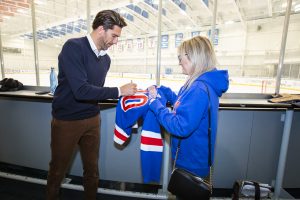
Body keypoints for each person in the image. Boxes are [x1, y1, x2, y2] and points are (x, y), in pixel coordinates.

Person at [46, 10, 137, 200]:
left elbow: (95, 92)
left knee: (92, 171)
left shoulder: (106, 59)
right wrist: (119, 91)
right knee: (57, 172)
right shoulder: (73, 47)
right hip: (67, 121)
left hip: (93, 119)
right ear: (101, 29)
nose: (116, 41)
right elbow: (82, 91)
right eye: (114, 36)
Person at [147, 36, 229, 199]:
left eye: (180, 57)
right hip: (193, 158)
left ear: (194, 57)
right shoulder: (199, 82)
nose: (179, 62)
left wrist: (155, 104)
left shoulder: (198, 88)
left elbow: (180, 126)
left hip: (191, 162)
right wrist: (166, 92)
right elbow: (185, 103)